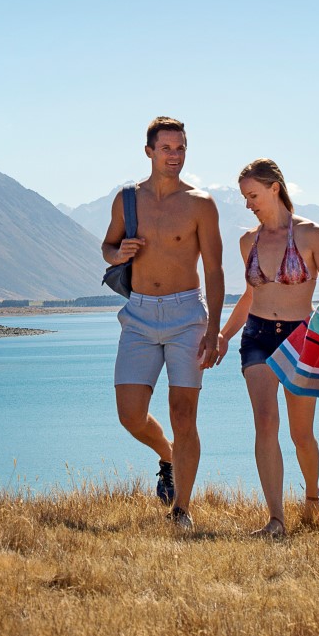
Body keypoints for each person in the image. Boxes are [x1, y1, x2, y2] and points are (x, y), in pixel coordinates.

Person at [102, 117, 225, 531]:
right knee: (130, 414)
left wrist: (214, 331)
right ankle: (168, 457)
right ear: (149, 151)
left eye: (181, 148)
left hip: (186, 315)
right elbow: (107, 247)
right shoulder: (127, 199)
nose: (175, 155)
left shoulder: (200, 204)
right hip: (137, 315)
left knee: (183, 412)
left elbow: (215, 271)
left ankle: (182, 510)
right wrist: (119, 254)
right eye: (167, 148)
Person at [212, 158, 319, 538]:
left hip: (301, 338)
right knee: (266, 422)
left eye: (252, 195)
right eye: (244, 197)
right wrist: (224, 335)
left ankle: (313, 500)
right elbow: (251, 295)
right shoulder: (246, 241)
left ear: (274, 188)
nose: (248, 203)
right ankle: (276, 520)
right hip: (257, 337)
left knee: (302, 434)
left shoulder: (312, 235)